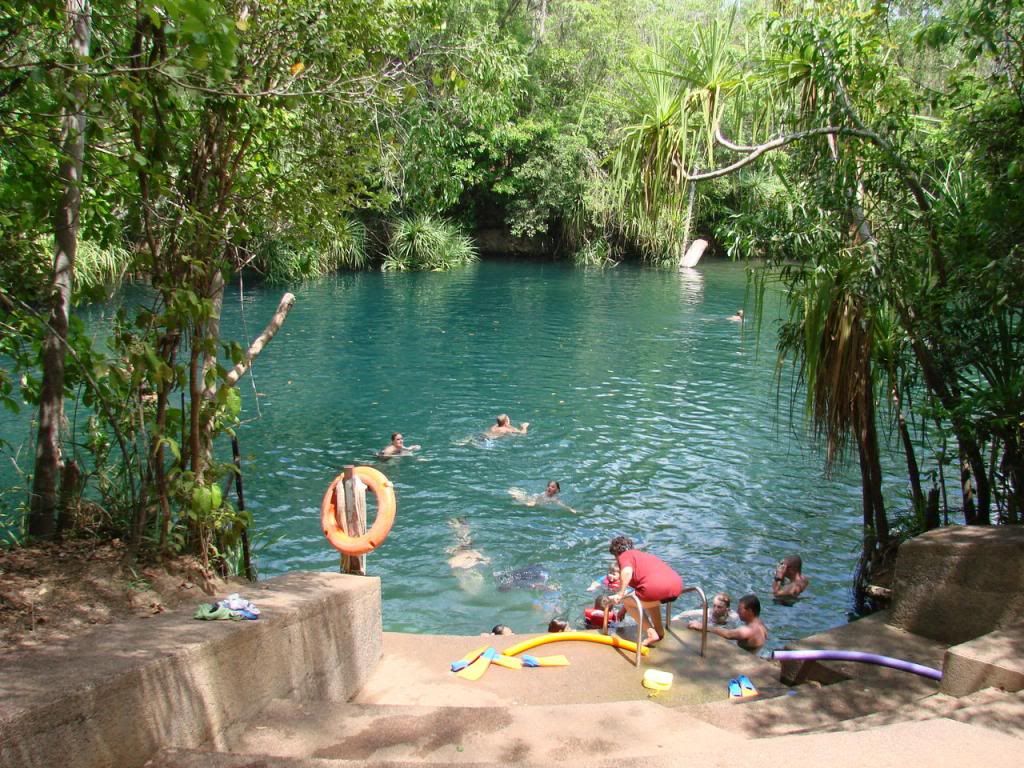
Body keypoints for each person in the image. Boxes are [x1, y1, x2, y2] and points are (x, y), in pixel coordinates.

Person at [606, 535, 683, 647]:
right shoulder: (642, 556)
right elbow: (641, 591)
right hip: (676, 585)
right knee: (648, 600)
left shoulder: (624, 556)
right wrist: (624, 609)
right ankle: (659, 632)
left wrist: (620, 594)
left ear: (616, 553)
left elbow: (627, 572)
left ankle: (650, 633)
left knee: (628, 600)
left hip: (655, 588)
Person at [688, 593, 768, 653]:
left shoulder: (748, 630)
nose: (737, 612)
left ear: (750, 611)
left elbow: (728, 634)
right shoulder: (761, 624)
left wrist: (702, 626)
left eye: (740, 609)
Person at [674, 591, 738, 626]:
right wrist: (676, 618)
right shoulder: (708, 612)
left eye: (719, 607)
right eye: (714, 606)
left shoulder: (733, 617)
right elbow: (685, 614)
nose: (715, 609)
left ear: (727, 609)